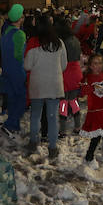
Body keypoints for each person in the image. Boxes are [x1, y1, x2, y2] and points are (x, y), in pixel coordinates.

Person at [23, 18, 67, 159]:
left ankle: (33, 142)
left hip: (38, 86)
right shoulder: (59, 43)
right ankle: (53, 148)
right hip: (54, 85)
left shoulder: (34, 45)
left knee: (35, 116)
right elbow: (64, 64)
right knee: (53, 118)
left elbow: (27, 66)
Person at [0, 4, 27, 137]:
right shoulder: (19, 34)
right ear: (20, 18)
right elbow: (19, 56)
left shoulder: (6, 31)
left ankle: (14, 124)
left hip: (6, 69)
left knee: (11, 98)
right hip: (16, 70)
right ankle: (10, 124)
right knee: (21, 99)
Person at [80, 54, 103, 162]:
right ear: (90, 66)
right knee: (97, 135)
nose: (97, 66)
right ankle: (89, 156)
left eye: (100, 63)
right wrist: (91, 87)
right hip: (95, 111)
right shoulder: (88, 78)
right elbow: (82, 92)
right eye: (95, 63)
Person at [56, 17, 84, 135]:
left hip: (65, 72)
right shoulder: (75, 40)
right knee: (73, 101)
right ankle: (78, 125)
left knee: (63, 102)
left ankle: (63, 129)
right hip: (76, 72)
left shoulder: (61, 42)